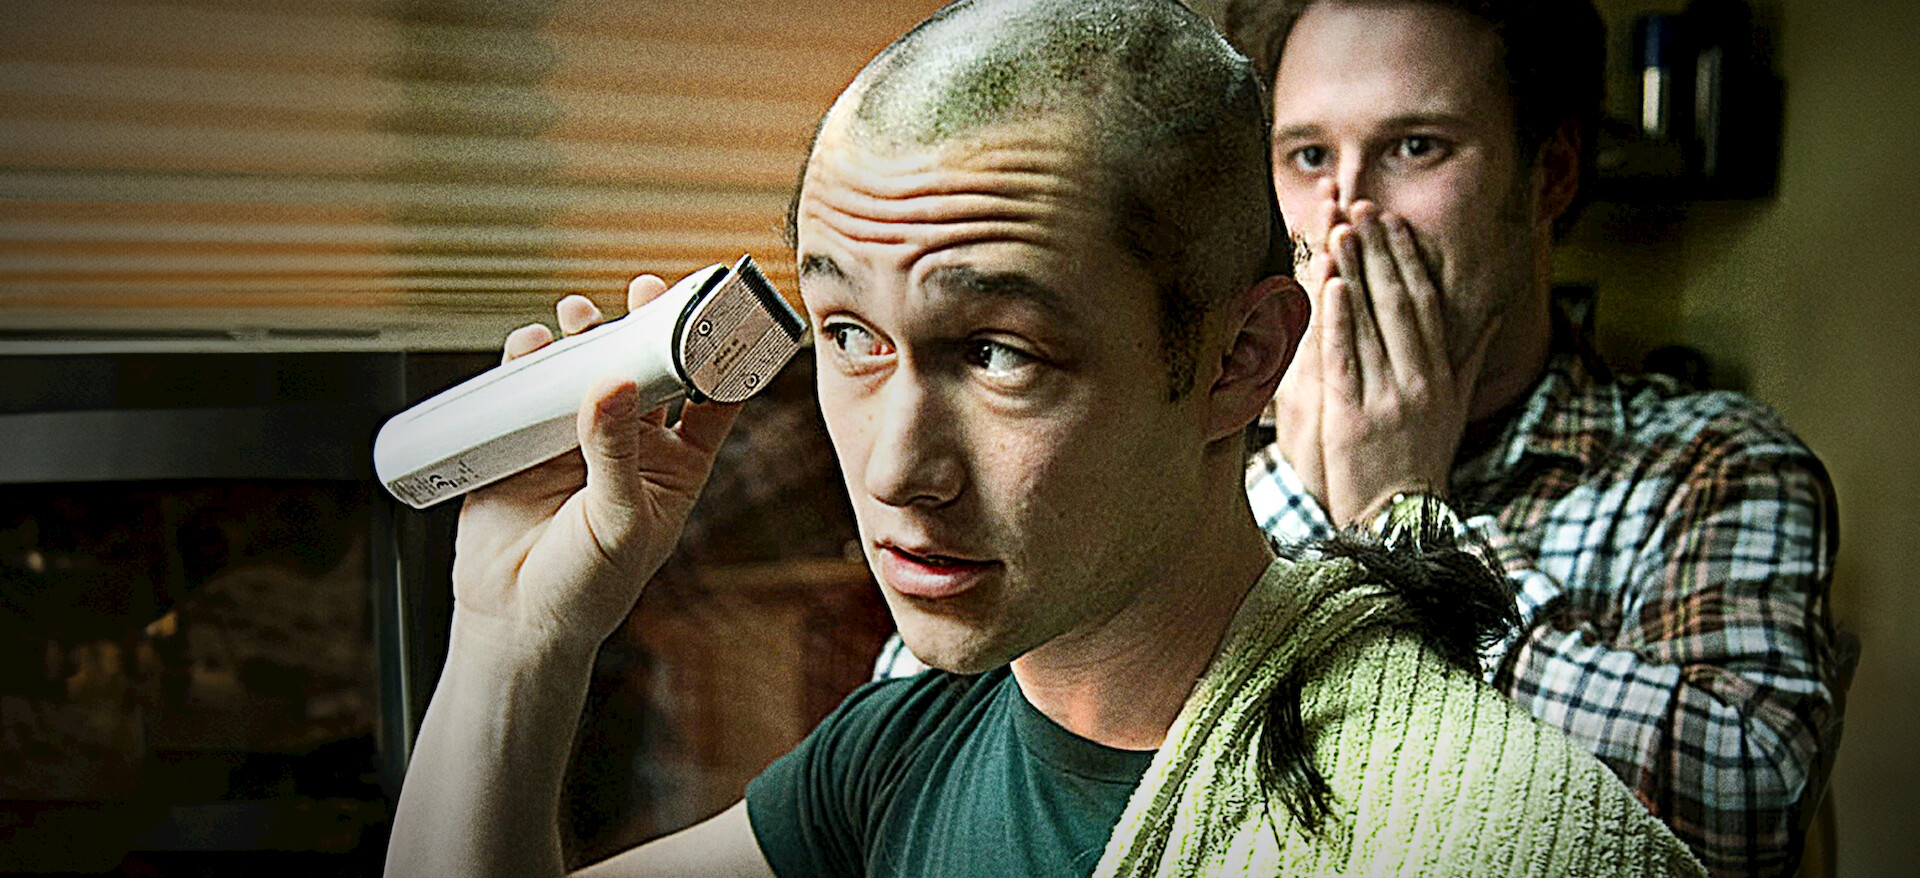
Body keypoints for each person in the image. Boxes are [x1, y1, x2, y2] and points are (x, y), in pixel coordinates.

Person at [383, 1, 1703, 875]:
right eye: (850, 335)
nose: (894, 468)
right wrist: (515, 637)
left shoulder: (1464, 825)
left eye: (999, 351)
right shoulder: (903, 747)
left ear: (1241, 359)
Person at [1212, 0, 1845, 873]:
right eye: (1309, 156)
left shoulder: (1712, 461)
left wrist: (1400, 519)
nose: (1344, 212)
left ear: (1551, 173)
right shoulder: (1215, 460)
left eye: (1416, 147)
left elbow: (1747, 812)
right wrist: (1298, 476)